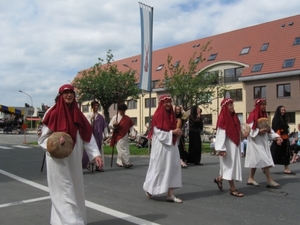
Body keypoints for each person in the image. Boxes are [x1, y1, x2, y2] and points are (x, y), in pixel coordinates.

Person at [38, 84, 103, 225]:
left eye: (71, 93)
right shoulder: (52, 112)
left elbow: (87, 136)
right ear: (60, 96)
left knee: (75, 189)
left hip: (74, 158)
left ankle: (59, 221)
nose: (69, 95)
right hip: (57, 160)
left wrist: (95, 154)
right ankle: (74, 222)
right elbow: (43, 139)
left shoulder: (79, 115)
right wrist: (54, 141)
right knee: (64, 191)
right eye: (65, 93)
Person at [143, 95, 183, 203]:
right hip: (161, 147)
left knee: (173, 167)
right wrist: (172, 133)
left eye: (169, 102)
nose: (168, 104)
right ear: (162, 104)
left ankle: (170, 194)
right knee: (159, 168)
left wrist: (177, 133)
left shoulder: (172, 116)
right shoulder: (157, 115)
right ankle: (150, 188)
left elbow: (173, 129)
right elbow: (158, 133)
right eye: (166, 102)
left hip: (172, 146)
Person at [244, 98, 282, 188]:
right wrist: (258, 131)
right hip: (255, 142)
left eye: (265, 104)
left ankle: (250, 178)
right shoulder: (253, 115)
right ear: (258, 105)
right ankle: (269, 180)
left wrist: (277, 137)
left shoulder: (265, 116)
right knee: (264, 159)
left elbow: (269, 130)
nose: (264, 106)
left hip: (262, 141)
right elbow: (249, 130)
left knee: (256, 160)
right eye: (263, 104)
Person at [213, 98, 244, 197]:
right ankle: (232, 188)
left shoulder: (234, 117)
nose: (232, 107)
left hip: (234, 145)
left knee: (231, 165)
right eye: (230, 105)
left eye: (232, 105)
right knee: (230, 166)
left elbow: (237, 130)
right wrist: (221, 149)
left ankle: (219, 179)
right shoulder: (223, 118)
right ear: (225, 107)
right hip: (227, 147)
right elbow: (220, 135)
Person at [83, 100, 108, 172]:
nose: (96, 107)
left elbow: (104, 126)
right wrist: (91, 119)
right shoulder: (88, 115)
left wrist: (106, 135)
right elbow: (86, 125)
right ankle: (89, 163)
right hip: (91, 135)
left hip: (98, 135)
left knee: (99, 151)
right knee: (90, 150)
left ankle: (98, 166)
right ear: (92, 107)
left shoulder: (101, 117)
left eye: (97, 106)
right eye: (95, 106)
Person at [270, 105, 295, 175]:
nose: (283, 112)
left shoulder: (284, 119)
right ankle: (265, 166)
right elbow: (276, 129)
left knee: (285, 154)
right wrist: (278, 138)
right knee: (274, 154)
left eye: (284, 110)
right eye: (282, 110)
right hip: (278, 139)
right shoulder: (276, 119)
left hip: (285, 139)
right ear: (279, 111)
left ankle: (286, 169)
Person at [109, 103, 136, 168]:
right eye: (122, 110)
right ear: (119, 110)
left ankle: (119, 162)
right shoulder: (115, 117)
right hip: (118, 136)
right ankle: (127, 163)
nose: (123, 112)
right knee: (122, 150)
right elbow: (110, 126)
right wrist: (114, 125)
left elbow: (131, 127)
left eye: (124, 110)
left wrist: (133, 134)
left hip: (125, 135)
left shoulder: (127, 118)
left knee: (126, 149)